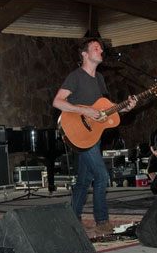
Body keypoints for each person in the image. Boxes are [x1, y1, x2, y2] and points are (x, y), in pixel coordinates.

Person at [52, 38, 137, 234]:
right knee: (101, 175)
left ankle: (72, 220)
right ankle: (102, 221)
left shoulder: (99, 78)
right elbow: (57, 102)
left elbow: (105, 109)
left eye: (101, 48)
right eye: (96, 48)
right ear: (84, 54)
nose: (101, 50)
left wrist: (125, 108)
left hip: (92, 135)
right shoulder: (75, 77)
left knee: (83, 180)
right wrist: (85, 112)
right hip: (78, 132)